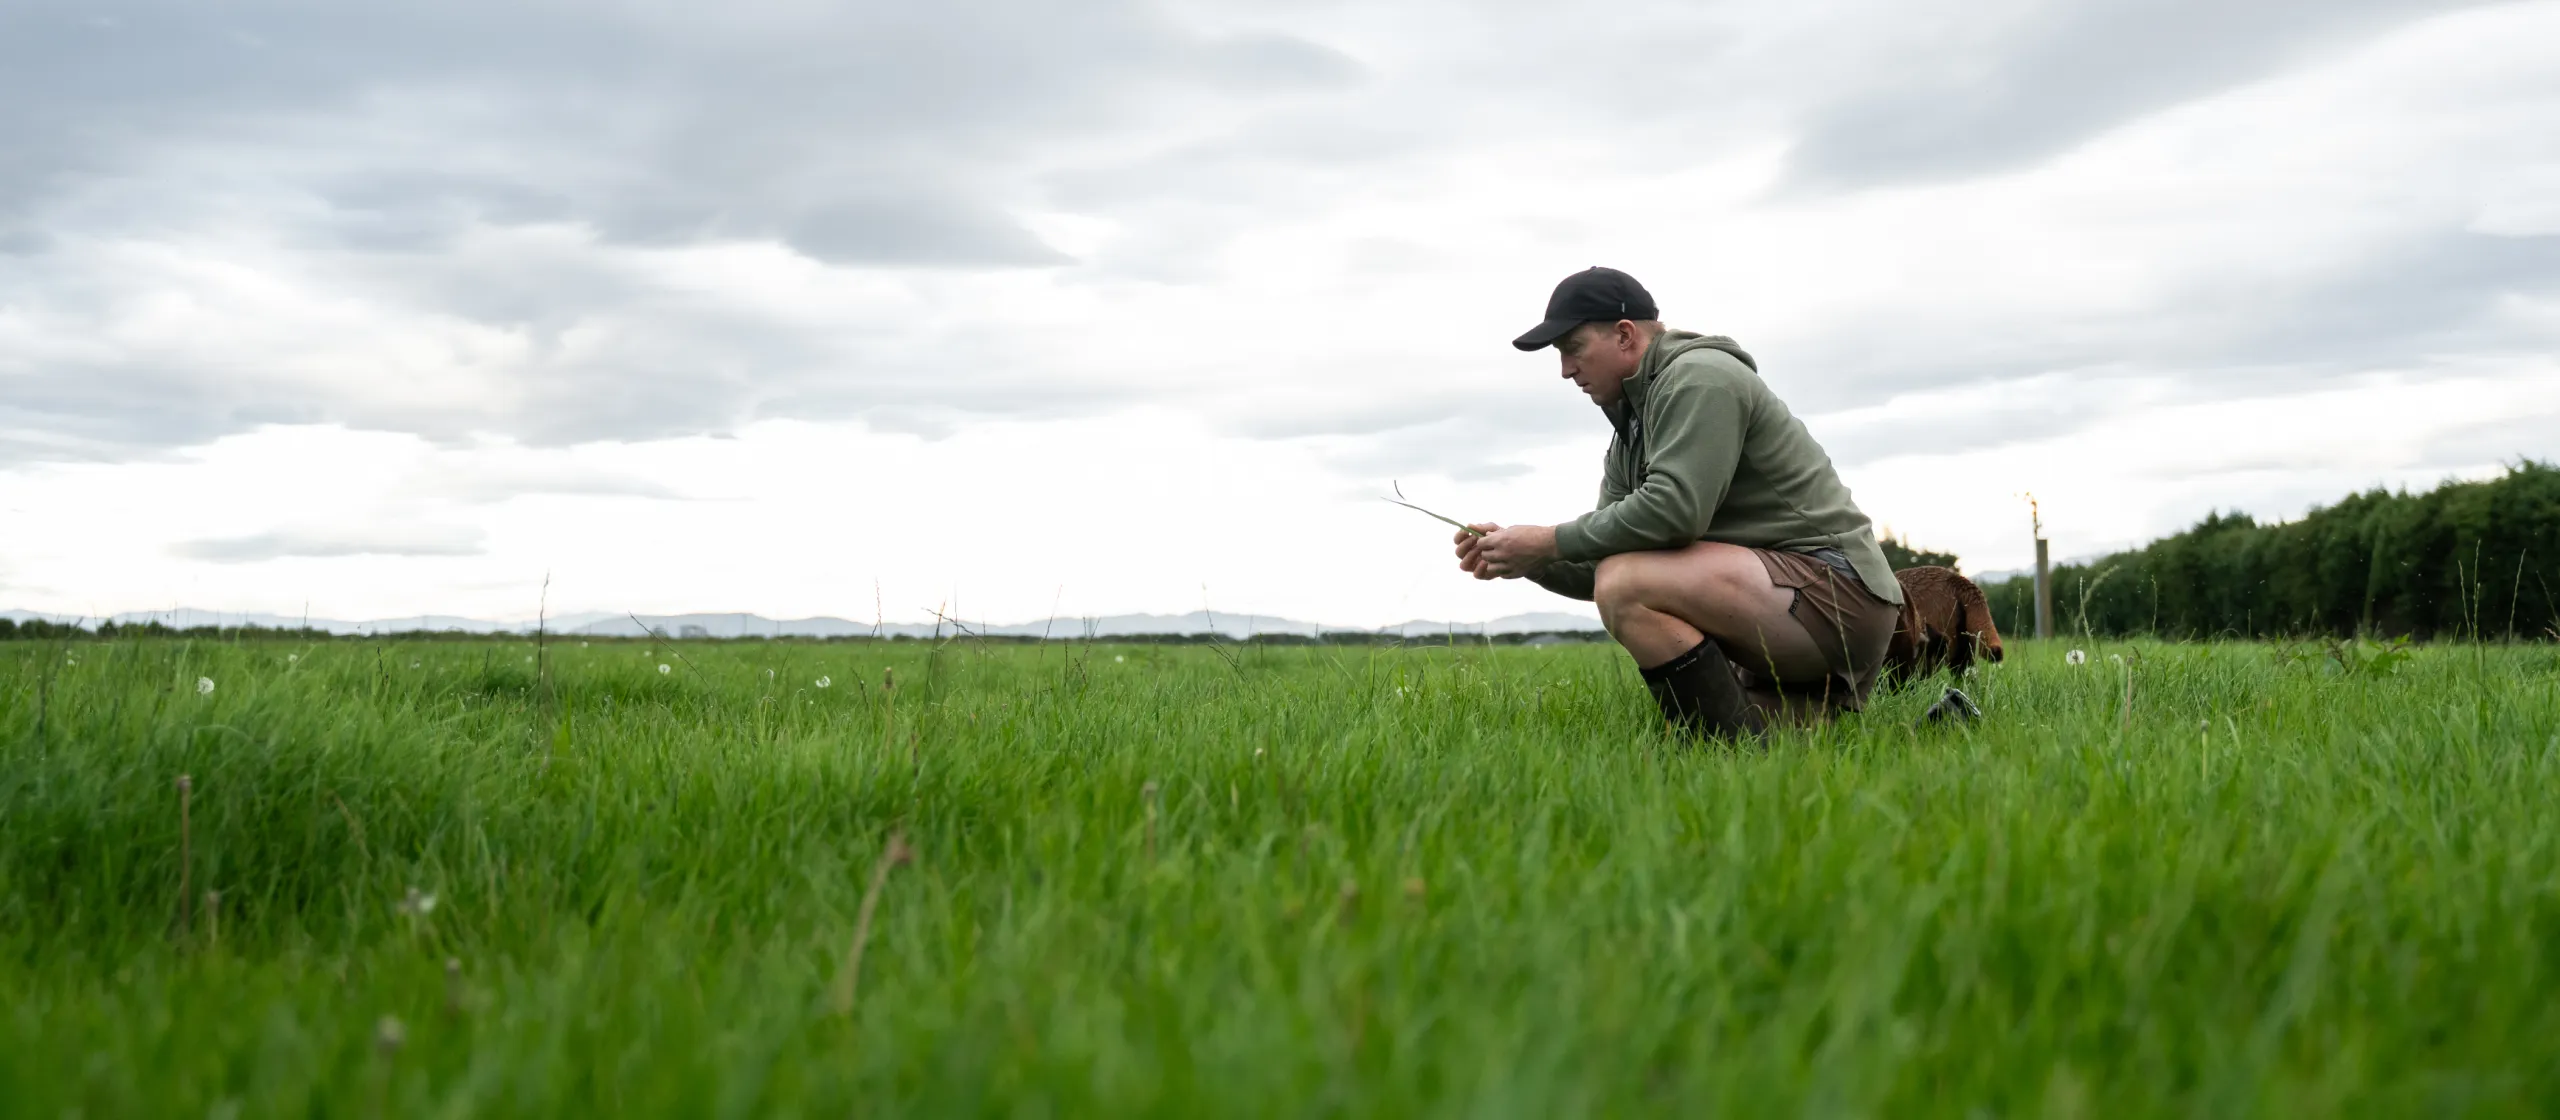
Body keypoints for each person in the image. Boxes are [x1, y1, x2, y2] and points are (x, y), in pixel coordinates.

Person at [1453, 266, 1904, 740]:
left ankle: (1731, 751)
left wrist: (1548, 541)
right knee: (1792, 747)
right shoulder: (1632, 424)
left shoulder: (1698, 378)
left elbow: (1673, 514)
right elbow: (1602, 561)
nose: (1566, 370)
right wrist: (1526, 560)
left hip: (1834, 596)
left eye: (1572, 348)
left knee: (1627, 583)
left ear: (1625, 335)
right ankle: (1901, 724)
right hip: (1778, 605)